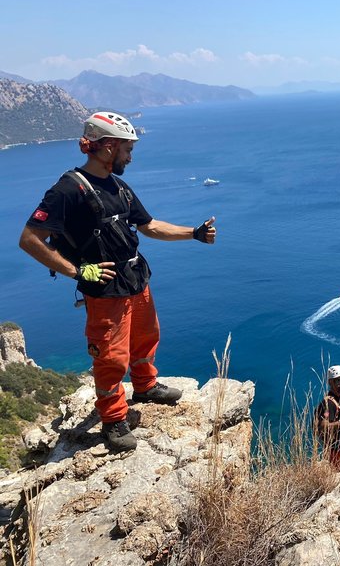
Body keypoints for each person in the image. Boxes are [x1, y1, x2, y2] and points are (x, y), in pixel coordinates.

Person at [19, 111, 217, 453]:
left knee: (146, 336)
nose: (131, 155)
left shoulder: (120, 187)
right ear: (107, 147)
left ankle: (145, 385)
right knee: (111, 356)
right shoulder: (69, 189)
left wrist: (194, 234)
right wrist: (77, 272)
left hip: (135, 278)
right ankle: (112, 419)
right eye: (127, 148)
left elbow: (150, 226)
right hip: (104, 288)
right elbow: (29, 239)